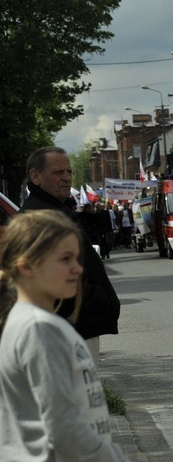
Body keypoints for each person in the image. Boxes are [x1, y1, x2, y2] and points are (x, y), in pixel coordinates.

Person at [0, 210, 128, 461]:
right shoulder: (38, 329)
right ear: (26, 265)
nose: (78, 269)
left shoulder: (30, 321)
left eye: (78, 258)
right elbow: (64, 426)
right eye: (65, 259)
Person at [19, 146, 120, 362]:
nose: (66, 178)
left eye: (69, 172)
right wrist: (98, 301)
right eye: (58, 173)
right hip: (69, 328)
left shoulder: (55, 211)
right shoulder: (42, 218)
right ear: (35, 177)